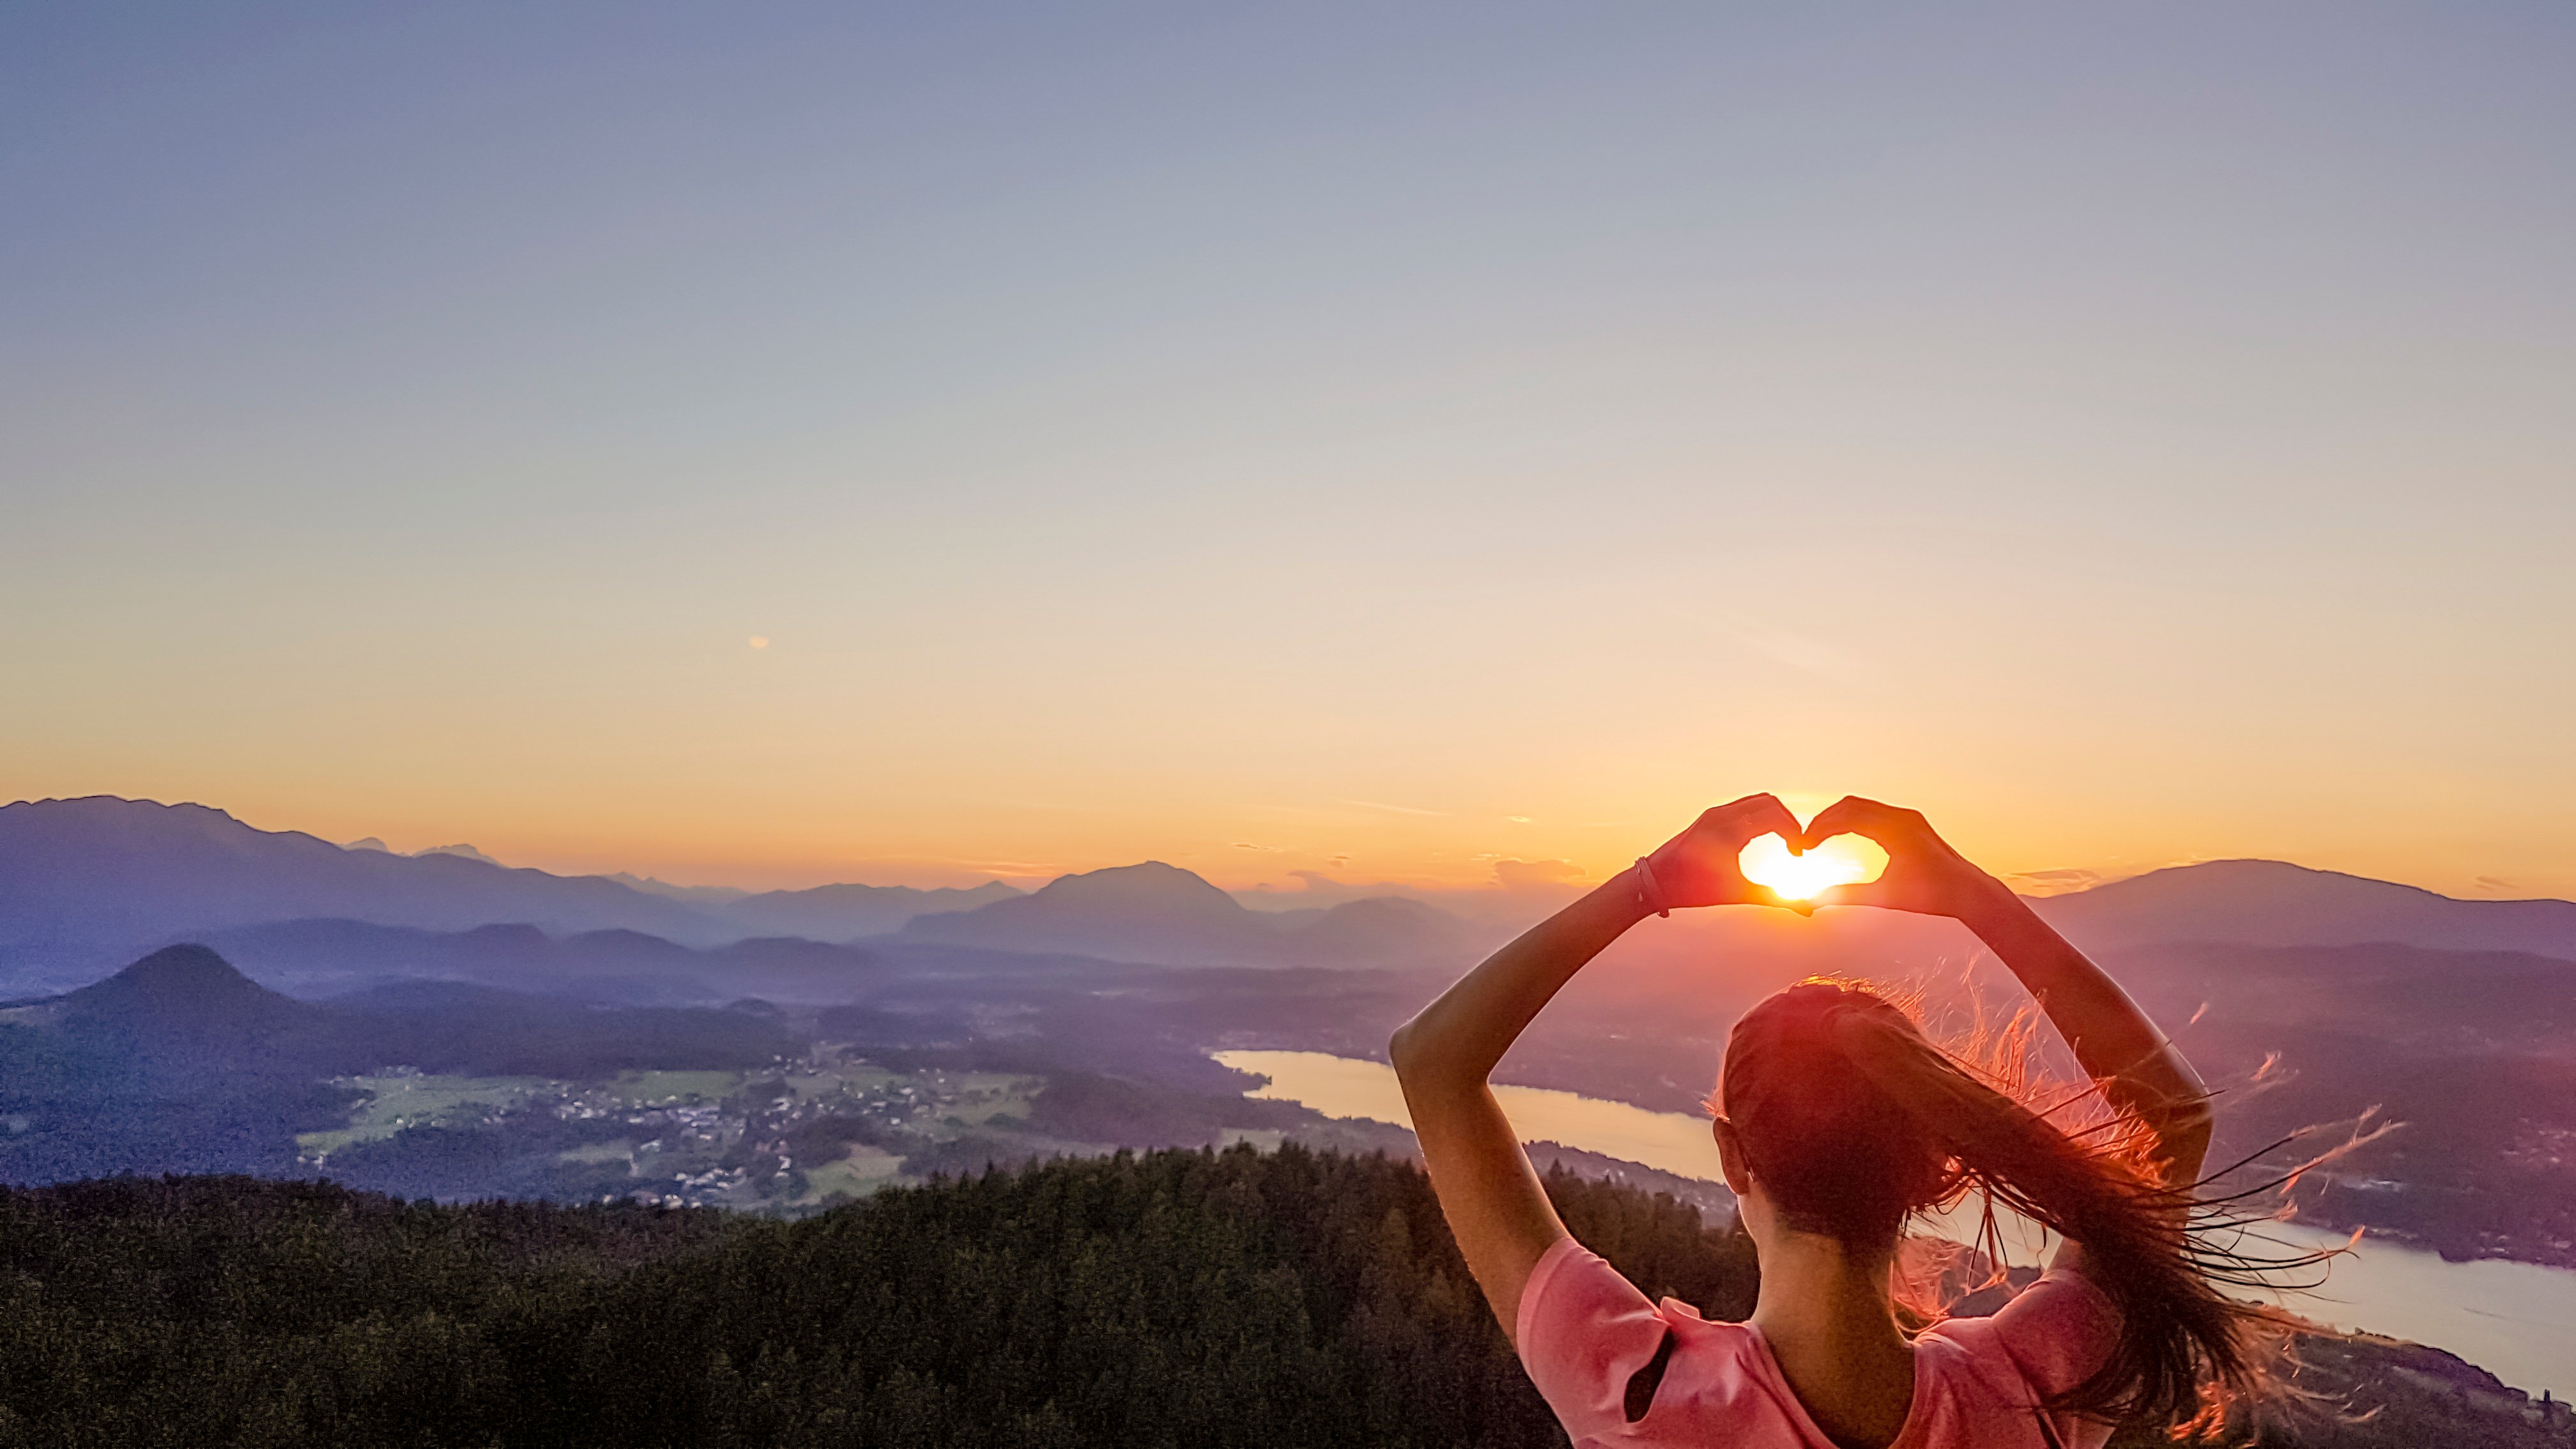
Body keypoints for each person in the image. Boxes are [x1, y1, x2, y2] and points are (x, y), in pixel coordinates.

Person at [1390, 795, 2276, 1448]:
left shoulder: (1634, 1398)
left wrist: (1651, 885)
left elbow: (1432, 1063)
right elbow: (2172, 1119)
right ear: (1936, 1166)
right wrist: (1972, 897)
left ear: (1734, 1157)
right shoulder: (2031, 1396)